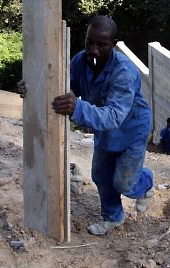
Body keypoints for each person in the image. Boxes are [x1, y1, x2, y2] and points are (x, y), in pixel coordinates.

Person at [48, 15, 154, 236]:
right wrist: (31, 88)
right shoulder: (79, 62)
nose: (94, 50)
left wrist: (76, 108)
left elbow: (115, 115)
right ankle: (113, 217)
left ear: (113, 46)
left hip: (131, 130)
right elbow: (63, 89)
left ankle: (145, 183)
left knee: (124, 183)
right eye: (90, 42)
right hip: (105, 133)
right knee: (101, 176)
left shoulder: (124, 71)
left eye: (101, 45)